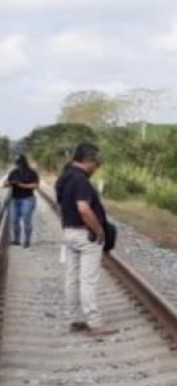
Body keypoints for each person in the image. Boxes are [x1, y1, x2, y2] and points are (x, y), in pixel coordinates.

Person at [56, 142, 117, 337]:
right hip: (85, 235)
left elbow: (61, 207)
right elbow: (83, 208)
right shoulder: (81, 180)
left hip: (70, 232)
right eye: (96, 162)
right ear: (88, 160)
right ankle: (95, 323)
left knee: (72, 277)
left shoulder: (64, 178)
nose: (96, 166)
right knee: (88, 280)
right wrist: (99, 230)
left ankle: (73, 319)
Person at [5, 154, 40, 247]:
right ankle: (16, 239)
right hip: (14, 199)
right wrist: (10, 183)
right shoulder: (13, 172)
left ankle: (27, 240)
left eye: (19, 163)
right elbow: (6, 183)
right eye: (17, 163)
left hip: (27, 199)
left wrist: (23, 185)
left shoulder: (32, 172)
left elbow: (36, 185)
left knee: (26, 220)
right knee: (14, 220)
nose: (18, 165)